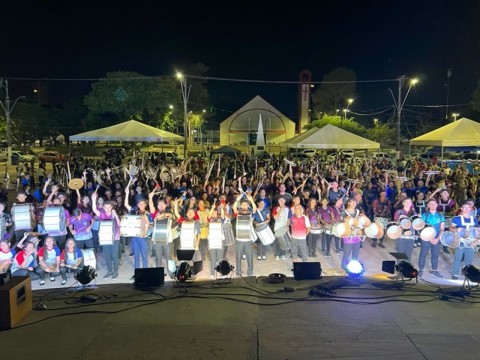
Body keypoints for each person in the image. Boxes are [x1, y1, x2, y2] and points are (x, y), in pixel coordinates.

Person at [124, 179, 153, 273]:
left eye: (143, 204)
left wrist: (147, 221)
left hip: (143, 237)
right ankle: (137, 273)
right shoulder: (134, 211)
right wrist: (127, 194)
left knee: (144, 255)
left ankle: (145, 272)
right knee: (136, 255)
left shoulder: (148, 213)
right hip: (135, 236)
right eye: (140, 204)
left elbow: (151, 225)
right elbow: (126, 204)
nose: (141, 205)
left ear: (145, 204)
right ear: (137, 204)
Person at [92, 192, 121, 279]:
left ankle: (115, 272)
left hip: (115, 238)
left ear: (112, 207)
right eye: (106, 207)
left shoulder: (114, 215)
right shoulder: (102, 215)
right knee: (107, 256)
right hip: (105, 238)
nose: (107, 209)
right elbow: (94, 210)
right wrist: (93, 200)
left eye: (109, 207)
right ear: (103, 208)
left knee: (115, 255)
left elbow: (120, 225)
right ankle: (109, 271)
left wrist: (115, 215)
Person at [449, 202, 479, 280]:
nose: (466, 209)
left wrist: (477, 240)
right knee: (457, 258)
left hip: (471, 242)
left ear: (471, 209)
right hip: (460, 241)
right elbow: (450, 228)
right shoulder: (456, 218)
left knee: (469, 259)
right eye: (464, 208)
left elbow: (476, 232)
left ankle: (468, 274)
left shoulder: (475, 220)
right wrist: (456, 229)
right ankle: (455, 274)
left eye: (468, 208)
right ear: (461, 209)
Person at [418, 198, 445, 278]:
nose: (433, 205)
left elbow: (442, 229)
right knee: (423, 254)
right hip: (426, 238)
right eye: (431, 204)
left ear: (437, 205)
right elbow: (420, 228)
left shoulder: (440, 216)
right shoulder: (424, 215)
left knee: (435, 255)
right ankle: (421, 269)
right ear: (428, 205)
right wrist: (429, 238)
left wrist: (437, 239)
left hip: (437, 238)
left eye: (434, 204)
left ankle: (434, 270)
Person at [233, 193, 257, 277]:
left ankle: (250, 271)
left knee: (249, 256)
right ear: (241, 205)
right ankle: (238, 271)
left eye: (246, 204)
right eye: (243, 204)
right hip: (239, 238)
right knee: (238, 256)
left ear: (248, 205)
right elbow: (234, 208)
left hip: (248, 239)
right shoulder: (238, 212)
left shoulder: (250, 212)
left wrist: (251, 200)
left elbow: (254, 209)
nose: (244, 206)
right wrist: (237, 200)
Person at [340, 198, 362, 270]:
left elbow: (361, 221)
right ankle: (344, 267)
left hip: (356, 234)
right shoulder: (344, 212)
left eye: (355, 203)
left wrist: (360, 229)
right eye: (352, 203)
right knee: (347, 252)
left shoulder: (358, 211)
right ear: (348, 203)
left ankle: (353, 266)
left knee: (356, 252)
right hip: (348, 235)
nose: (354, 204)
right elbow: (342, 223)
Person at [272, 196, 291, 260]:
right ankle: (277, 254)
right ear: (278, 202)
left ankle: (283, 254)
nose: (282, 202)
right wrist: (281, 209)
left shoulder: (288, 208)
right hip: (277, 227)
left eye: (283, 200)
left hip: (284, 227)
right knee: (277, 241)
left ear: (285, 201)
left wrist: (287, 225)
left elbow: (289, 218)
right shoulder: (275, 208)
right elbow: (275, 217)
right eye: (280, 200)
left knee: (284, 241)